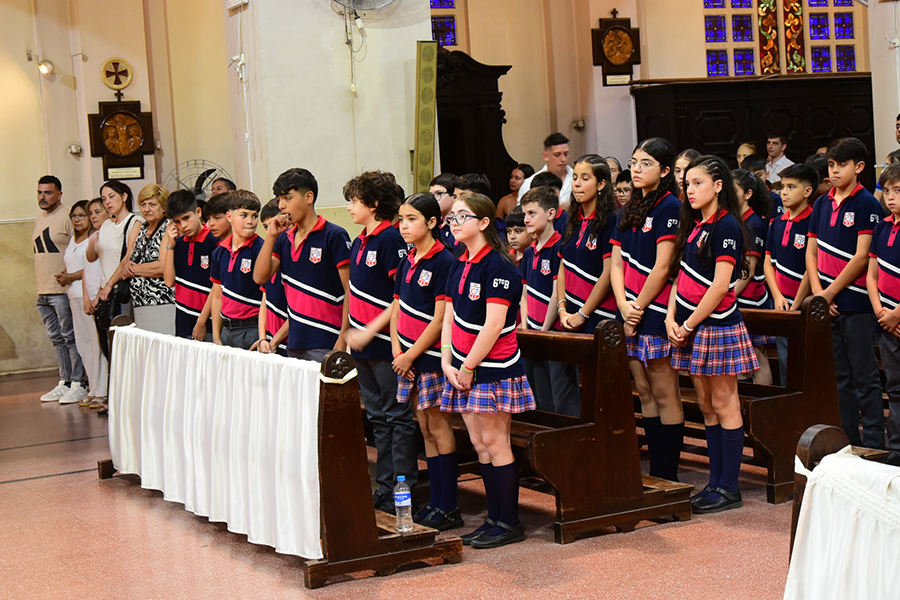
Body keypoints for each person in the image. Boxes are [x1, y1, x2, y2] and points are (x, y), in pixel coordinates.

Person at [441, 191, 535, 549]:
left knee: (496, 443)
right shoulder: (459, 262)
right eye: (452, 218)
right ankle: (493, 518)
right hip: (463, 366)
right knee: (479, 444)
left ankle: (509, 521)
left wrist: (466, 366)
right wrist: (447, 361)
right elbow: (449, 315)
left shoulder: (498, 265)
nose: (454, 223)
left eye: (461, 217)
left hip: (494, 368)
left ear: (482, 223)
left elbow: (494, 325)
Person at [667, 155, 759, 513]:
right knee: (705, 405)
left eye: (698, 183)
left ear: (718, 186)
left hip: (716, 324)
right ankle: (715, 482)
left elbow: (721, 284)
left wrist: (688, 325)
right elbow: (680, 277)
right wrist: (671, 318)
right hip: (689, 324)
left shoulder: (727, 227)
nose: (689, 190)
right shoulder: (695, 224)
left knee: (724, 403)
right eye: (687, 184)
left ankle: (729, 486)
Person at [342, 170, 416, 515]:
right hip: (361, 346)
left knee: (396, 416)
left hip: (388, 343)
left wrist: (372, 330)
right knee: (377, 417)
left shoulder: (390, 240)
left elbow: (399, 298)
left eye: (354, 202)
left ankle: (402, 487)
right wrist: (350, 335)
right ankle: (385, 486)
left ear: (373, 204)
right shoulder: (360, 241)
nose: (349, 209)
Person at [611, 137, 683, 482]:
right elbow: (615, 264)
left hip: (654, 310)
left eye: (645, 164)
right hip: (630, 309)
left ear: (665, 170)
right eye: (634, 162)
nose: (636, 169)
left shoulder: (670, 206)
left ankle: (668, 471)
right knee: (644, 390)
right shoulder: (628, 207)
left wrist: (637, 306)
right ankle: (654, 471)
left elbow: (664, 266)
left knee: (664, 389)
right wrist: (625, 305)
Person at [807, 137, 885, 448]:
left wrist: (828, 294)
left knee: (865, 379)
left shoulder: (866, 203)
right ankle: (849, 442)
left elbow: (862, 256)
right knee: (840, 379)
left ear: (859, 167)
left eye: (842, 165)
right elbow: (811, 253)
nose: (835, 171)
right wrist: (818, 294)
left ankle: (876, 444)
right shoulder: (823, 203)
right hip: (828, 303)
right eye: (831, 165)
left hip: (856, 303)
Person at [390, 192, 459, 530]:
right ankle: (434, 502)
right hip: (407, 359)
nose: (404, 226)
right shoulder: (408, 260)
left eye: (412, 219)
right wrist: (396, 351)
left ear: (432, 222)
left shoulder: (444, 261)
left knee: (439, 425)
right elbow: (397, 309)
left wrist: (411, 354)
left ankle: (449, 504)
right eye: (401, 219)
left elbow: (439, 320)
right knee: (424, 428)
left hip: (429, 359)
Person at [254, 168, 351, 362]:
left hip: (327, 338)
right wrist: (272, 236)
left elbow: (350, 290)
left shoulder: (334, 235)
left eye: (288, 198)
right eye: (279, 199)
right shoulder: (283, 240)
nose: (281, 205)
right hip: (295, 341)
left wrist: (343, 337)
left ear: (308, 197)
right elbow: (259, 277)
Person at [519, 186, 580, 416]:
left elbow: (557, 293)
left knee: (562, 399)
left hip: (554, 333)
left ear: (552, 214)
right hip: (533, 334)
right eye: (525, 214)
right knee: (540, 398)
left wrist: (544, 330)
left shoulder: (559, 247)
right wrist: (525, 327)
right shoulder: (528, 251)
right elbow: (524, 293)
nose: (526, 219)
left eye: (532, 213)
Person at [33, 175, 86, 404]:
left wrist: (71, 275)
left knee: (70, 337)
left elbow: (80, 246)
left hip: (63, 290)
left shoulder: (67, 216)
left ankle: (79, 382)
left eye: (48, 193)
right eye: (40, 192)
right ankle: (64, 381)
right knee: (57, 339)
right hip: (43, 289)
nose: (43, 197)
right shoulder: (39, 218)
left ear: (59, 194)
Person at [765, 164, 818, 386]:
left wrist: (797, 302)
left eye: (791, 187)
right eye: (782, 187)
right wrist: (777, 296)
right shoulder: (776, 223)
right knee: (786, 363)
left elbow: (811, 266)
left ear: (807, 192)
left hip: (805, 303)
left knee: (811, 363)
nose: (784, 192)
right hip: (781, 302)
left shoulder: (814, 220)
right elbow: (768, 262)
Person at [557, 155, 618, 334]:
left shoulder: (610, 220)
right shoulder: (570, 219)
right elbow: (562, 266)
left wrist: (583, 314)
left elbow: (608, 272)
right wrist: (562, 310)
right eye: (575, 178)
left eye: (585, 178)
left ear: (601, 184)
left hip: (600, 315)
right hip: (570, 313)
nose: (577, 184)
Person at [866, 162, 900, 466]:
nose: (890, 197)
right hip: (887, 322)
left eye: (898, 191)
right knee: (895, 387)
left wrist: (897, 313)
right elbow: (871, 276)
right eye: (887, 190)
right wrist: (881, 311)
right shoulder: (882, 227)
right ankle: (898, 449)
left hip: (897, 318)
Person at [88, 180, 144, 363]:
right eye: (104, 199)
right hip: (106, 291)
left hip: (122, 290)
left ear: (124, 196)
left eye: (111, 196)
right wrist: (100, 290)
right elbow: (96, 259)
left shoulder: (134, 222)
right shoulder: (105, 225)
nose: (107, 202)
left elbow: (128, 257)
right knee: (108, 347)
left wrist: (109, 285)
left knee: (125, 347)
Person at [732, 169, 774, 384]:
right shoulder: (733, 220)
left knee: (757, 357)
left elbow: (748, 270)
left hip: (751, 298)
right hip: (735, 297)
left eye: (734, 189)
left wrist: (727, 296)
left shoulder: (754, 223)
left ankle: (763, 408)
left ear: (748, 194)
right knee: (739, 359)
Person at [210, 190, 263, 349]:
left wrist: (262, 336)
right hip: (226, 329)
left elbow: (267, 297)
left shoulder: (261, 249)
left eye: (255, 216)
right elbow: (217, 295)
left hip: (252, 328)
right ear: (229, 217)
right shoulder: (219, 252)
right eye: (244, 215)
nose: (250, 221)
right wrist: (216, 336)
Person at [163, 189, 218, 340]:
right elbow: (169, 281)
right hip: (183, 320)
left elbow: (216, 287)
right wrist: (170, 245)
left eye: (186, 218)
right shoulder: (178, 244)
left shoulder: (214, 241)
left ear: (198, 212)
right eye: (177, 222)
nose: (183, 226)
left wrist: (202, 321)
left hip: (208, 321)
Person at [60, 201, 98, 406]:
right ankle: (92, 387)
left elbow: (92, 267)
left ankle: (99, 388)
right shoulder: (73, 241)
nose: (77, 219)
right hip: (72, 295)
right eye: (74, 216)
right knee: (82, 345)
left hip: (87, 295)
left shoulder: (93, 239)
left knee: (94, 344)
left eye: (82, 215)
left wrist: (72, 276)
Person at [125, 185, 175, 334]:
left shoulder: (169, 226)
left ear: (164, 207)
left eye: (152, 205)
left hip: (162, 301)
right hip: (139, 303)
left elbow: (162, 266)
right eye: (143, 204)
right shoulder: (142, 228)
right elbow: (130, 258)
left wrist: (132, 269)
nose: (147, 209)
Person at [80, 199, 110, 408]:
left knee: (106, 347)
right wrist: (85, 297)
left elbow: (107, 269)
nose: (93, 216)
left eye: (97, 211)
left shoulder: (110, 237)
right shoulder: (93, 238)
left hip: (104, 295)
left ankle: (106, 390)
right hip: (91, 296)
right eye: (90, 212)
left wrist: (99, 295)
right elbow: (87, 267)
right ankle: (97, 387)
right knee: (95, 345)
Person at [255, 199, 289, 356]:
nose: (271, 231)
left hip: (287, 341)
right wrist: (262, 339)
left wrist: (275, 340)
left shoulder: (291, 259)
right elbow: (264, 300)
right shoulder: (269, 261)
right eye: (266, 227)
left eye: (274, 225)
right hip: (269, 340)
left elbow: (300, 310)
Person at [517, 133, 573, 209]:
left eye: (566, 154)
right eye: (557, 155)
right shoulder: (529, 183)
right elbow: (522, 214)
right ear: (546, 156)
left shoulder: (577, 179)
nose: (563, 159)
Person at [430, 173, 463, 258]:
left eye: (439, 193)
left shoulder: (462, 223)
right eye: (431, 195)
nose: (433, 199)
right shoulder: (435, 224)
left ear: (454, 196)